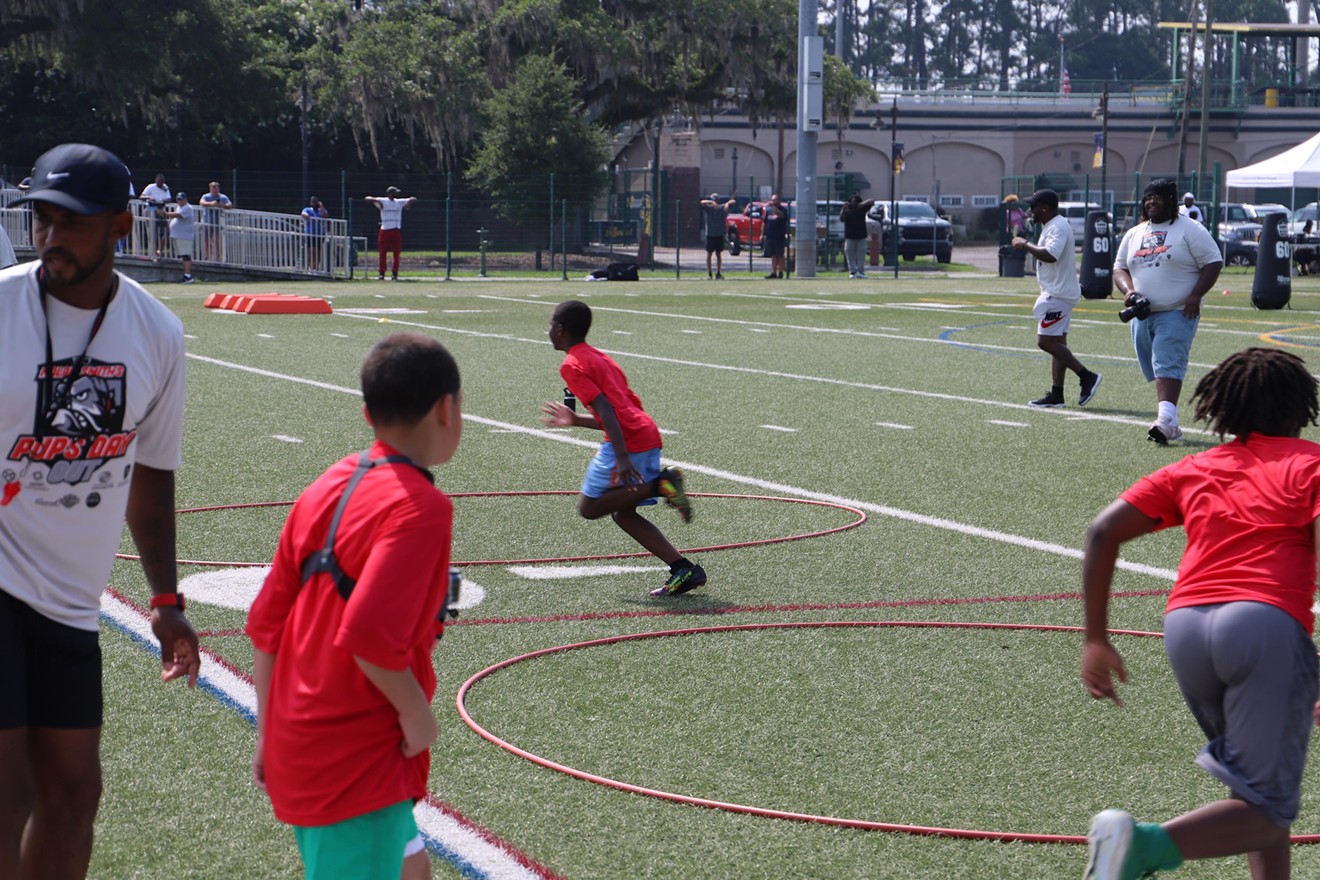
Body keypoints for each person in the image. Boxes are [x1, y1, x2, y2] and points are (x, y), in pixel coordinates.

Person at [0, 143, 198, 879]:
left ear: (121, 227)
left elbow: (152, 476)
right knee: (7, 791)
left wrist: (167, 598)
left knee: (75, 792)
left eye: (71, 223)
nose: (51, 238)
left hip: (68, 596)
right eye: (42, 220)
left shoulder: (158, 335)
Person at [1080, 347, 1320, 880]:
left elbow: (1102, 531)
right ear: (1301, 410)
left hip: (1186, 627)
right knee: (1268, 809)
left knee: (1254, 792)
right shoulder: (1312, 464)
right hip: (1264, 627)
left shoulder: (1195, 466)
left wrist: (1096, 638)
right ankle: (1140, 845)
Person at [248, 332, 463, 880]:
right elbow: (368, 636)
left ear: (367, 413)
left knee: (411, 869)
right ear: (447, 408)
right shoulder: (421, 507)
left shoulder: (329, 484)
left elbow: (267, 624)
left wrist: (269, 733)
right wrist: (418, 714)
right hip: (353, 753)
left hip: (304, 736)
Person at [539, 300, 703, 597]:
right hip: (643, 431)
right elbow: (620, 409)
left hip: (628, 441)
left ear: (561, 330)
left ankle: (661, 484)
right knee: (622, 513)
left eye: (550, 324)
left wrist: (623, 455)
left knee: (589, 508)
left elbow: (607, 409)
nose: (548, 330)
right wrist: (576, 419)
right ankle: (684, 569)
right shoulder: (599, 357)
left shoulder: (572, 364)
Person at [1112, 178, 1222, 445]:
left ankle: (1167, 421)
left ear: (1171, 201)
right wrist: (1129, 291)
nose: (1151, 201)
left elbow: (1213, 262)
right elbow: (1119, 268)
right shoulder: (1135, 232)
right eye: (1148, 197)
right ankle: (1169, 419)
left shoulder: (1190, 229)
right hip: (1143, 313)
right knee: (1154, 364)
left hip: (1177, 310)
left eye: (1158, 197)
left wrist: (1195, 295)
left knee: (1166, 360)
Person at [1013, 188, 1102, 409]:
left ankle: (1087, 376)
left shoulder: (1058, 226)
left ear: (1044, 207)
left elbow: (1050, 255)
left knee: (1046, 342)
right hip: (1059, 291)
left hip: (1059, 294)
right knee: (1057, 343)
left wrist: (1025, 244)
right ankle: (1057, 394)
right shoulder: (1052, 225)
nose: (1029, 211)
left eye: (1033, 206)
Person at [365, 186, 416, 281]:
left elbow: (413, 198)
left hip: (396, 230)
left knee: (396, 253)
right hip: (385, 229)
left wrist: (408, 203)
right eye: (395, 193)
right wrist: (378, 202)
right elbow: (367, 198)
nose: (397, 194)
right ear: (390, 194)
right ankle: (382, 273)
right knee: (382, 253)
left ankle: (394, 273)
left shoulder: (399, 202)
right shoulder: (383, 201)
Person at [839, 193, 876, 278]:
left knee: (861, 255)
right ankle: (852, 272)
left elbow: (872, 201)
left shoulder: (862, 209)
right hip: (849, 236)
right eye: (852, 201)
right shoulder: (847, 210)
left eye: (855, 201)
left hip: (861, 236)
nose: (853, 203)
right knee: (849, 253)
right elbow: (841, 219)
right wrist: (843, 209)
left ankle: (861, 272)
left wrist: (861, 204)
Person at [700, 193, 736, 279]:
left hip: (719, 234)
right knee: (709, 254)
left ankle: (718, 273)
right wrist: (711, 203)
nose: (714, 201)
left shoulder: (722, 207)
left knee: (718, 254)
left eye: (715, 200)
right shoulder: (708, 208)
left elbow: (733, 201)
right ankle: (709, 273)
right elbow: (701, 202)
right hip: (710, 234)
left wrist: (727, 203)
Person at [197, 180, 233, 261]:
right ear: (210, 189)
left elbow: (230, 205)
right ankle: (207, 256)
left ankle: (217, 256)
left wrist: (221, 205)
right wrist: (212, 204)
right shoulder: (206, 196)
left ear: (219, 189)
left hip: (216, 222)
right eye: (212, 188)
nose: (214, 190)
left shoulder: (222, 197)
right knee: (206, 239)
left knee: (216, 239)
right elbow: (201, 203)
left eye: (216, 188)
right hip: (206, 222)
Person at [139, 172, 171, 259]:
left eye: (162, 181)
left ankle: (160, 250)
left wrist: (162, 200)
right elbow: (141, 197)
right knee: (153, 232)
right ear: (155, 180)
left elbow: (169, 199)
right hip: (151, 208)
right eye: (158, 180)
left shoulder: (165, 188)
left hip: (161, 208)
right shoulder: (150, 187)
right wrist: (149, 197)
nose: (160, 182)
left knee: (167, 231)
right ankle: (154, 251)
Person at [165, 191, 196, 283]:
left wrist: (164, 213)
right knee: (183, 256)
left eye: (181, 199)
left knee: (186, 256)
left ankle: (188, 276)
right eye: (178, 199)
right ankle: (186, 275)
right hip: (179, 235)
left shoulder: (188, 208)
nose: (180, 201)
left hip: (184, 236)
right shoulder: (179, 207)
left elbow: (178, 215)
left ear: (186, 199)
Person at [761, 194, 789, 279]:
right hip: (770, 236)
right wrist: (762, 234)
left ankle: (781, 272)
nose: (774, 202)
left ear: (779, 201)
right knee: (773, 255)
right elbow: (764, 223)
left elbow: (780, 215)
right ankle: (774, 272)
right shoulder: (768, 211)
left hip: (779, 236)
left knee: (780, 254)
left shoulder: (783, 210)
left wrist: (773, 207)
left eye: (776, 200)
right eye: (773, 200)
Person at [302, 195, 330, 272]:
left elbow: (325, 216)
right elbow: (303, 213)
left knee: (317, 252)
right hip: (310, 234)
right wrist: (306, 215)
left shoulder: (321, 210)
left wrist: (321, 206)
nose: (314, 203)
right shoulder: (308, 209)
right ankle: (309, 268)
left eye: (315, 202)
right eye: (312, 202)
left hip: (320, 235)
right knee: (311, 251)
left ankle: (315, 268)